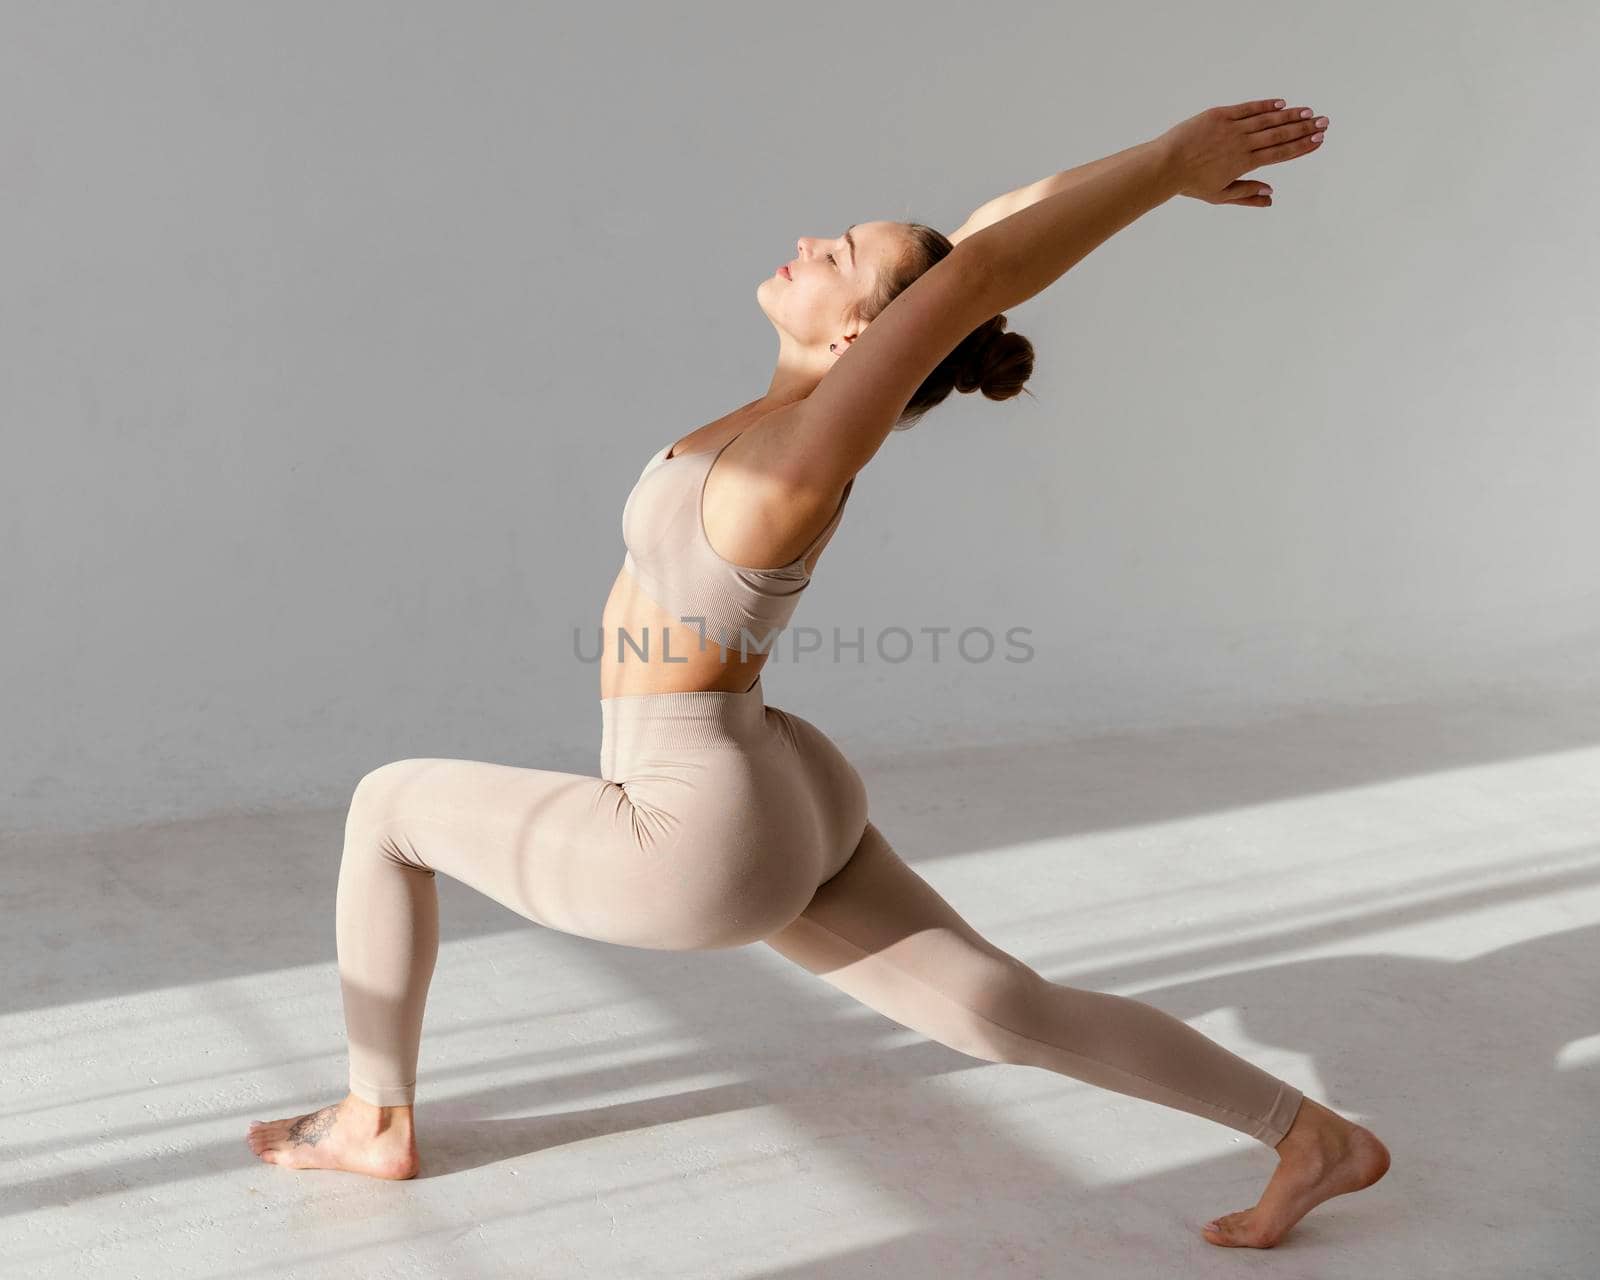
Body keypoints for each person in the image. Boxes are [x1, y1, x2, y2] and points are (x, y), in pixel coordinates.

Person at [248, 97, 1387, 1249]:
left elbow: (976, 271)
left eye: (838, 256)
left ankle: (371, 1115)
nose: (810, 243)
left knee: (387, 804)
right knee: (1000, 1005)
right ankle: (1310, 1133)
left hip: (693, 823)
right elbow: (989, 233)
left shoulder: (800, 456)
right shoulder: (786, 416)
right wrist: (1135, 177)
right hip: (782, 782)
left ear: (861, 338)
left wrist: (1163, 168)